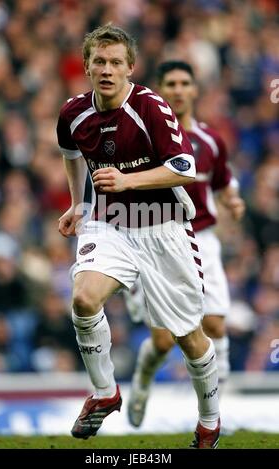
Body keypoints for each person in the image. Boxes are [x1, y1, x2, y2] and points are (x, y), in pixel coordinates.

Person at [57, 25, 220, 448]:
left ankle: (209, 422)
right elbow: (70, 151)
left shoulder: (149, 106)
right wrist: (78, 203)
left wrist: (130, 181)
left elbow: (184, 166)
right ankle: (105, 392)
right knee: (82, 298)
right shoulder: (73, 112)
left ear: (130, 67)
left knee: (187, 337)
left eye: (115, 63)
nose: (107, 70)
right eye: (99, 62)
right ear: (88, 67)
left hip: (163, 228)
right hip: (109, 225)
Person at [126, 61, 245, 430]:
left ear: (194, 90)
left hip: (202, 238)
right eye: (170, 84)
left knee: (215, 325)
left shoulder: (211, 141)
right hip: (156, 236)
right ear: (159, 91)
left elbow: (223, 180)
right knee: (164, 341)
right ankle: (142, 381)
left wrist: (233, 199)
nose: (178, 90)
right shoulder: (142, 137)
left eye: (184, 83)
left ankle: (215, 416)